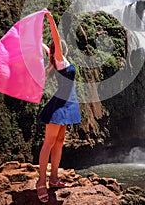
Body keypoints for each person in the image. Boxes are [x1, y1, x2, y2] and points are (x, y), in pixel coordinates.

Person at [36, 11, 81, 203]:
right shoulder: (60, 61)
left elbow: (46, 46)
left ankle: (54, 178)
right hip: (60, 105)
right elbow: (54, 39)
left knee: (60, 141)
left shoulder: (58, 60)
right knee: (49, 142)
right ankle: (41, 182)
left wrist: (35, 38)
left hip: (68, 102)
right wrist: (51, 20)